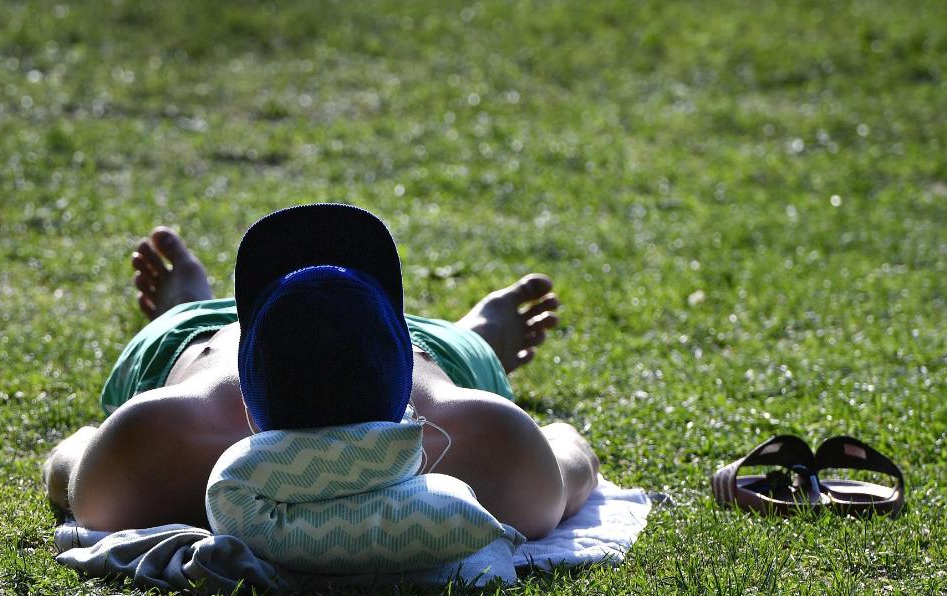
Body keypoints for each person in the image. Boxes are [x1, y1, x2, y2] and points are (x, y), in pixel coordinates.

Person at [43, 204, 599, 540]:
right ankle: (473, 340)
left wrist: (100, 446)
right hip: (434, 363)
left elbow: (67, 469)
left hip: (197, 352)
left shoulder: (158, 437)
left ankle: (188, 306)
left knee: (190, 331)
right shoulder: (482, 437)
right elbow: (572, 459)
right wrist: (548, 438)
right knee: (453, 355)